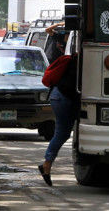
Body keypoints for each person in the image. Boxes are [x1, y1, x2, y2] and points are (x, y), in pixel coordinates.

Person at [38, 52, 79, 186]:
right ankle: (46, 164)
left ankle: (46, 163)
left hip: (58, 96)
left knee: (63, 133)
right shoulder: (82, 61)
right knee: (61, 133)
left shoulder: (76, 58)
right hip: (62, 97)